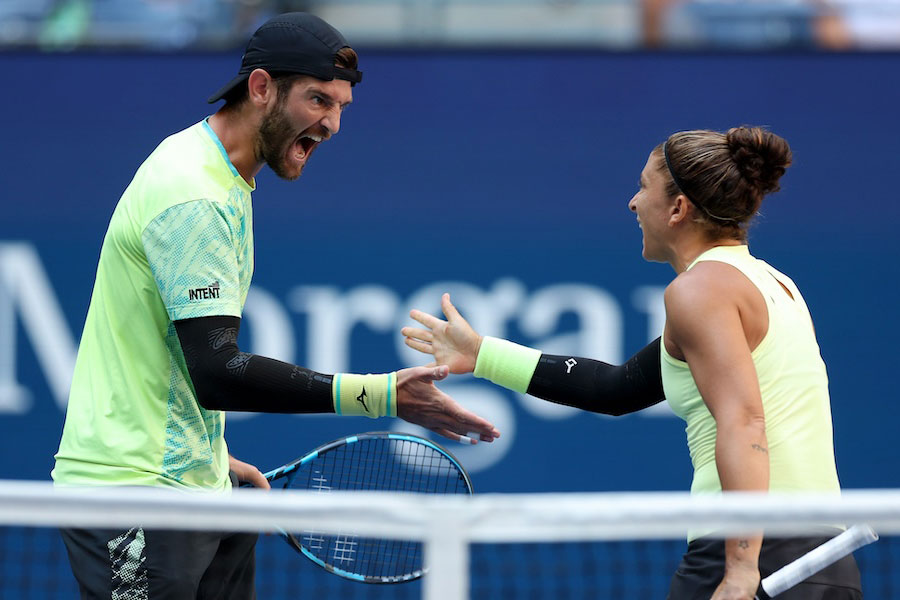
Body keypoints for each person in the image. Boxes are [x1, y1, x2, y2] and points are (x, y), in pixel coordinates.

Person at [51, 11, 499, 600]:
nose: (333, 124)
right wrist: (383, 394)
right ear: (261, 88)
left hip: (192, 489)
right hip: (134, 496)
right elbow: (217, 372)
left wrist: (212, 458)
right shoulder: (194, 195)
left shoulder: (222, 176)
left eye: (341, 106)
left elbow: (172, 357)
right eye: (318, 100)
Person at [402, 126, 861, 599]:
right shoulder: (774, 284)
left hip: (753, 554)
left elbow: (744, 421)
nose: (633, 203)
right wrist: (482, 354)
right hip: (826, 561)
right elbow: (617, 389)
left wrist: (742, 568)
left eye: (644, 186)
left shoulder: (700, 290)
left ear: (678, 208)